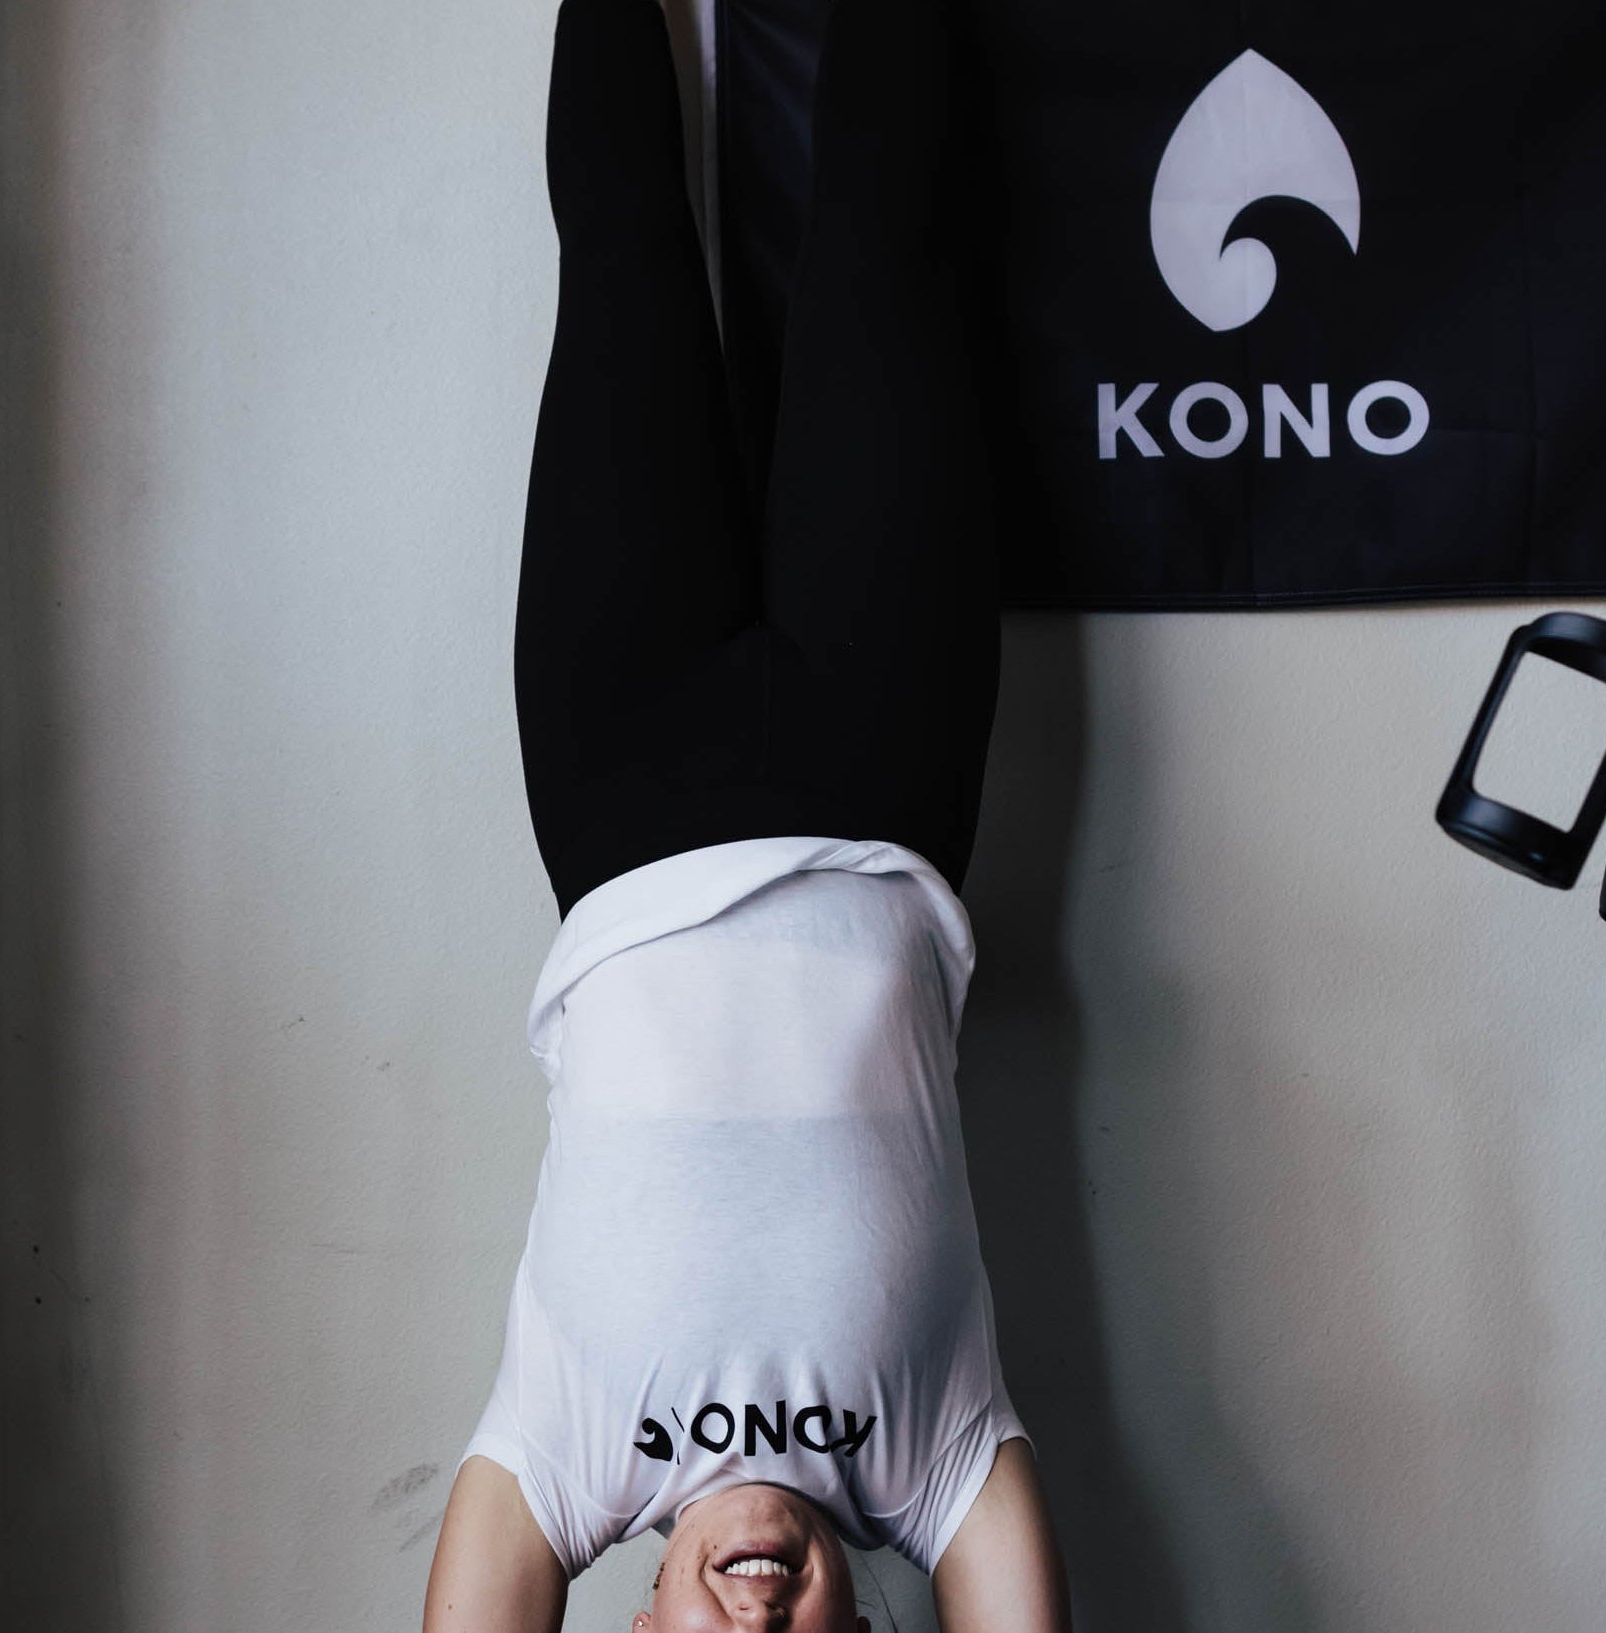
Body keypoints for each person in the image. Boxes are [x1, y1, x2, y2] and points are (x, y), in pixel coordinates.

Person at [422, 0, 1070, 1625]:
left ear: (627, 1620)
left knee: (627, 256)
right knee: (884, 249)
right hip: (883, 755)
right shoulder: (938, 1463)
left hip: (618, 777)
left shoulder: (560, 1464)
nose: (759, 1624)